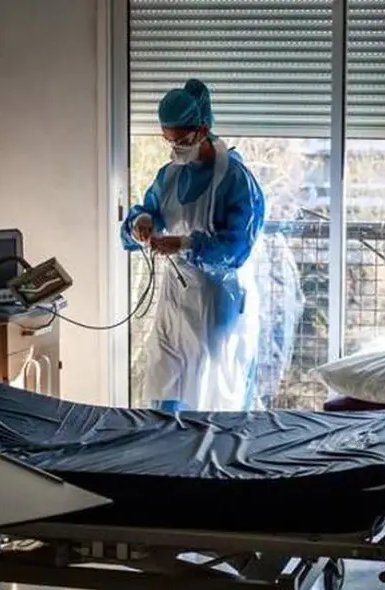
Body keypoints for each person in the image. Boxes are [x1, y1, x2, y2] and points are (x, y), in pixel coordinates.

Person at [120, 79, 266, 412]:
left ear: (202, 130)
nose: (175, 149)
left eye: (182, 140)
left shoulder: (235, 179)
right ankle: (164, 461)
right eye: (168, 140)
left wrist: (185, 243)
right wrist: (140, 223)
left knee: (207, 398)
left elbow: (237, 248)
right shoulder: (170, 174)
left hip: (217, 301)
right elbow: (149, 210)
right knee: (164, 384)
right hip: (174, 299)